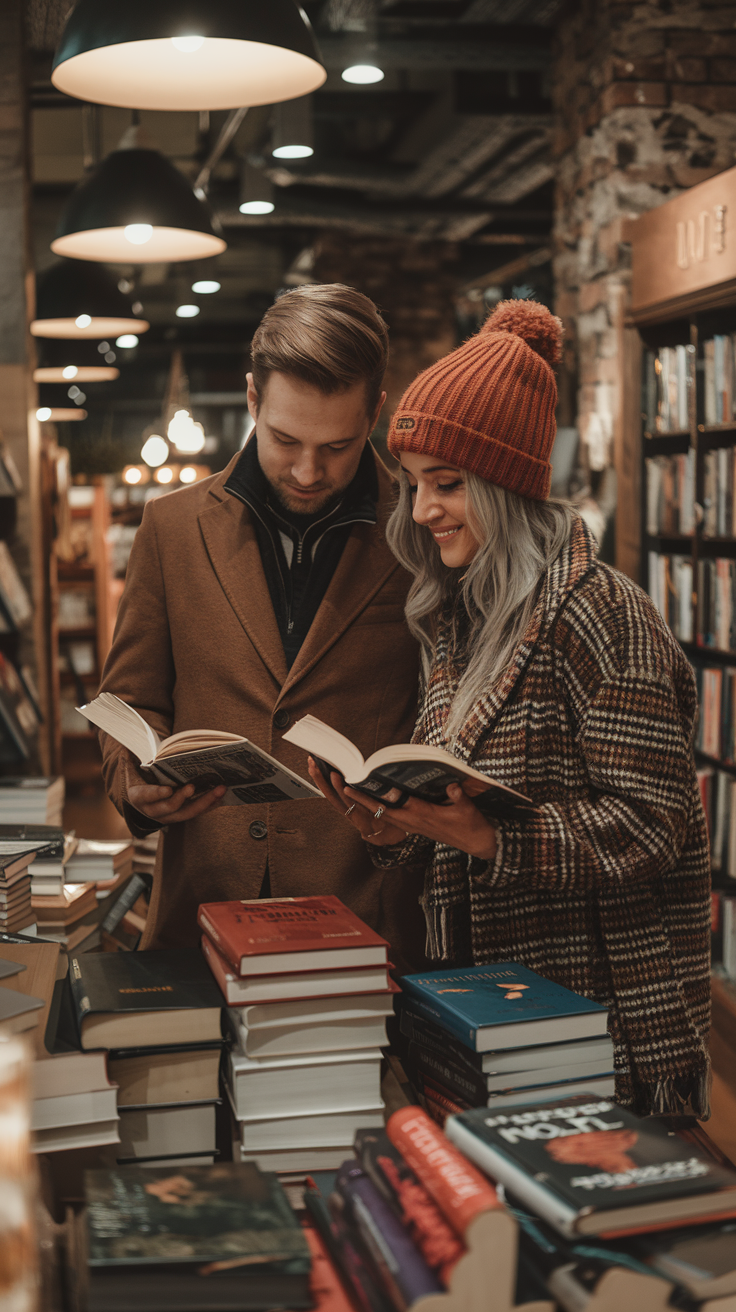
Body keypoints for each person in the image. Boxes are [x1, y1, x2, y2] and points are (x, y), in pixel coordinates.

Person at [310, 298, 711, 1117]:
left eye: (447, 485)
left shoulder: (604, 614)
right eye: (415, 485)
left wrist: (489, 834)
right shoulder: (459, 614)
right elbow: (451, 791)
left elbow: (650, 824)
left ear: (508, 487)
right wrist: (391, 821)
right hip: (492, 1005)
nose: (422, 511)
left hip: (598, 1018)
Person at [98, 283, 427, 971]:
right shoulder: (172, 527)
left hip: (364, 916)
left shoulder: (422, 532)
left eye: (339, 445)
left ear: (376, 411)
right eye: (285, 440)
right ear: (252, 401)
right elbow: (127, 702)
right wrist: (135, 784)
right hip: (203, 911)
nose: (309, 471)